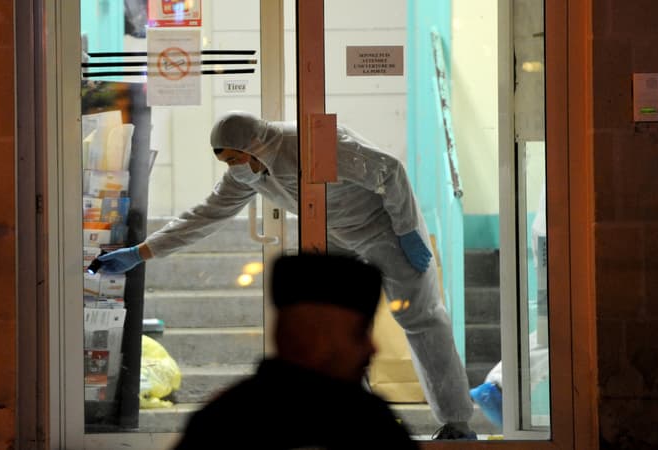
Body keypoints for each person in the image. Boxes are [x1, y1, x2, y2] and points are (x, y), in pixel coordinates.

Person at [98, 110, 476, 439]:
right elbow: (203, 217)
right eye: (225, 160)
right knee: (331, 325)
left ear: (256, 144)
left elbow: (389, 170)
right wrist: (141, 252)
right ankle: (348, 418)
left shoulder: (311, 144)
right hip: (332, 233)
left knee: (420, 317)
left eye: (236, 158)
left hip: (386, 229)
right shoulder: (246, 175)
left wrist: (407, 228)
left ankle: (457, 422)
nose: (233, 167)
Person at [172, 253, 419, 449]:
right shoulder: (367, 424)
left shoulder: (223, 420)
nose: (373, 348)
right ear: (311, 339)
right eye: (359, 333)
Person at [470, 186, 550, 429]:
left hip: (554, 237)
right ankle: (498, 385)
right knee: (562, 329)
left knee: (559, 330)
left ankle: (498, 385)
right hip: (557, 240)